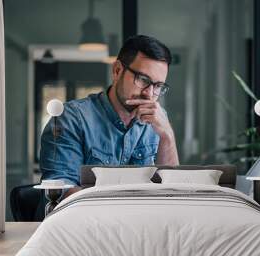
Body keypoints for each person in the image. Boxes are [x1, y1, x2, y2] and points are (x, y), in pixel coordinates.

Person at [40, 35, 179, 195]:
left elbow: (172, 192)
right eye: (142, 79)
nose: (149, 93)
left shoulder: (158, 120)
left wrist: (167, 135)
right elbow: (60, 193)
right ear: (117, 70)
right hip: (84, 219)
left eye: (158, 86)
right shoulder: (70, 119)